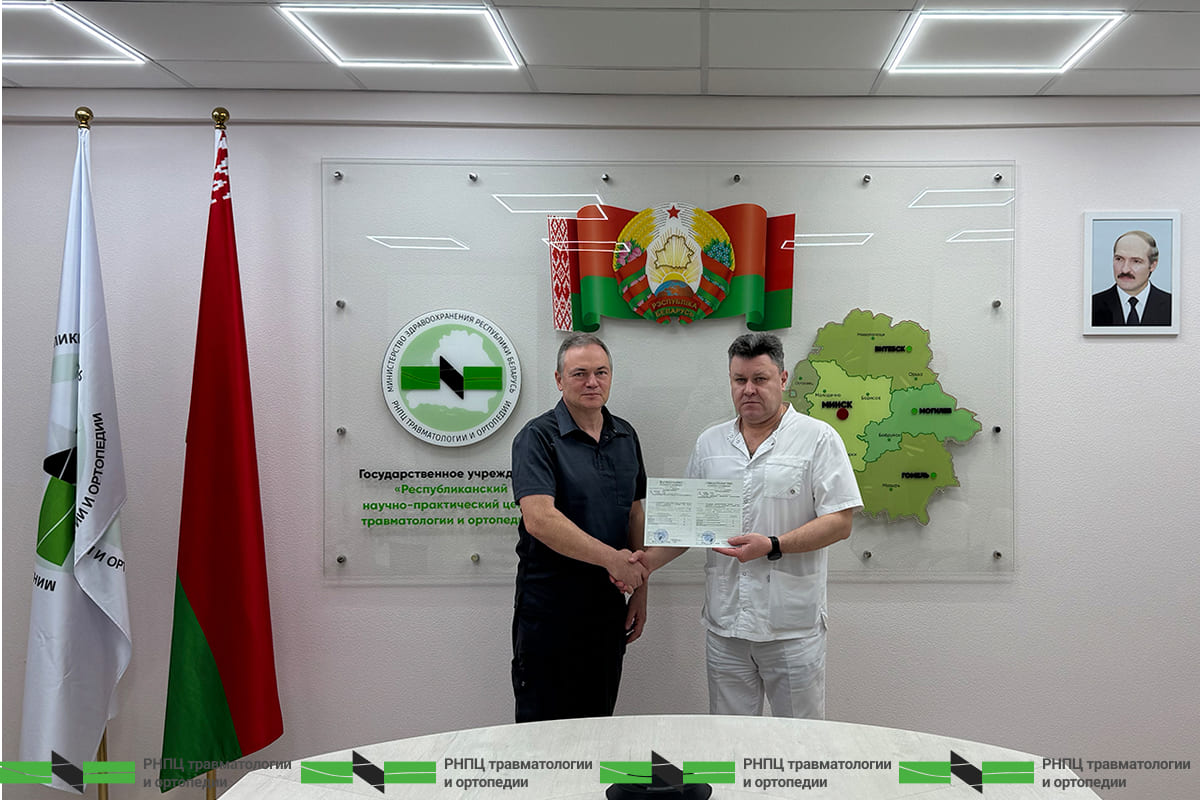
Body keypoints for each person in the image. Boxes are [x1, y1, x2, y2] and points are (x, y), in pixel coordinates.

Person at [635, 332, 862, 718]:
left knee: (800, 740)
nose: (749, 390)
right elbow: (690, 526)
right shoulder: (710, 444)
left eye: (760, 379)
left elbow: (840, 522)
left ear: (783, 379)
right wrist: (645, 564)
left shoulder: (818, 439)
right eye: (739, 380)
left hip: (791, 629)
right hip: (727, 627)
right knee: (730, 739)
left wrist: (773, 545)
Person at [509, 332, 649, 722]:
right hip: (550, 610)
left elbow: (635, 513)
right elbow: (540, 519)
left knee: (598, 723)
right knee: (544, 731)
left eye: (601, 372)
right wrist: (613, 560)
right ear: (559, 379)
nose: (592, 382)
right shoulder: (537, 438)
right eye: (579, 373)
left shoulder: (625, 436)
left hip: (607, 608)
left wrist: (640, 590)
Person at [1091, 230, 1171, 326]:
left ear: (1152, 265)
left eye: (1136, 261)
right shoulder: (1092, 305)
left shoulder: (1172, 306)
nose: (1125, 270)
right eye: (1119, 259)